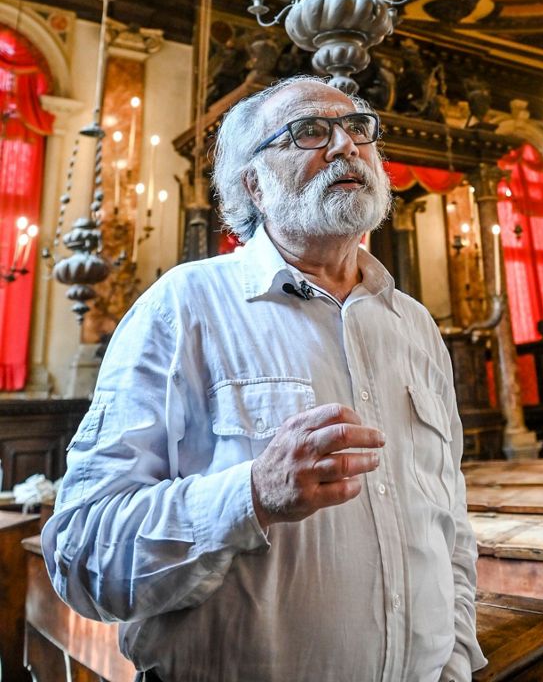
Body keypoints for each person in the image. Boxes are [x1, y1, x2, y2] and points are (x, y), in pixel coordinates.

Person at [43, 75, 487, 682]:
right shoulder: (183, 308)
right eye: (310, 131)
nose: (345, 146)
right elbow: (82, 555)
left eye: (359, 128)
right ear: (254, 182)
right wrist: (250, 494)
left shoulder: (414, 326)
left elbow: (449, 526)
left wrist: (455, 659)